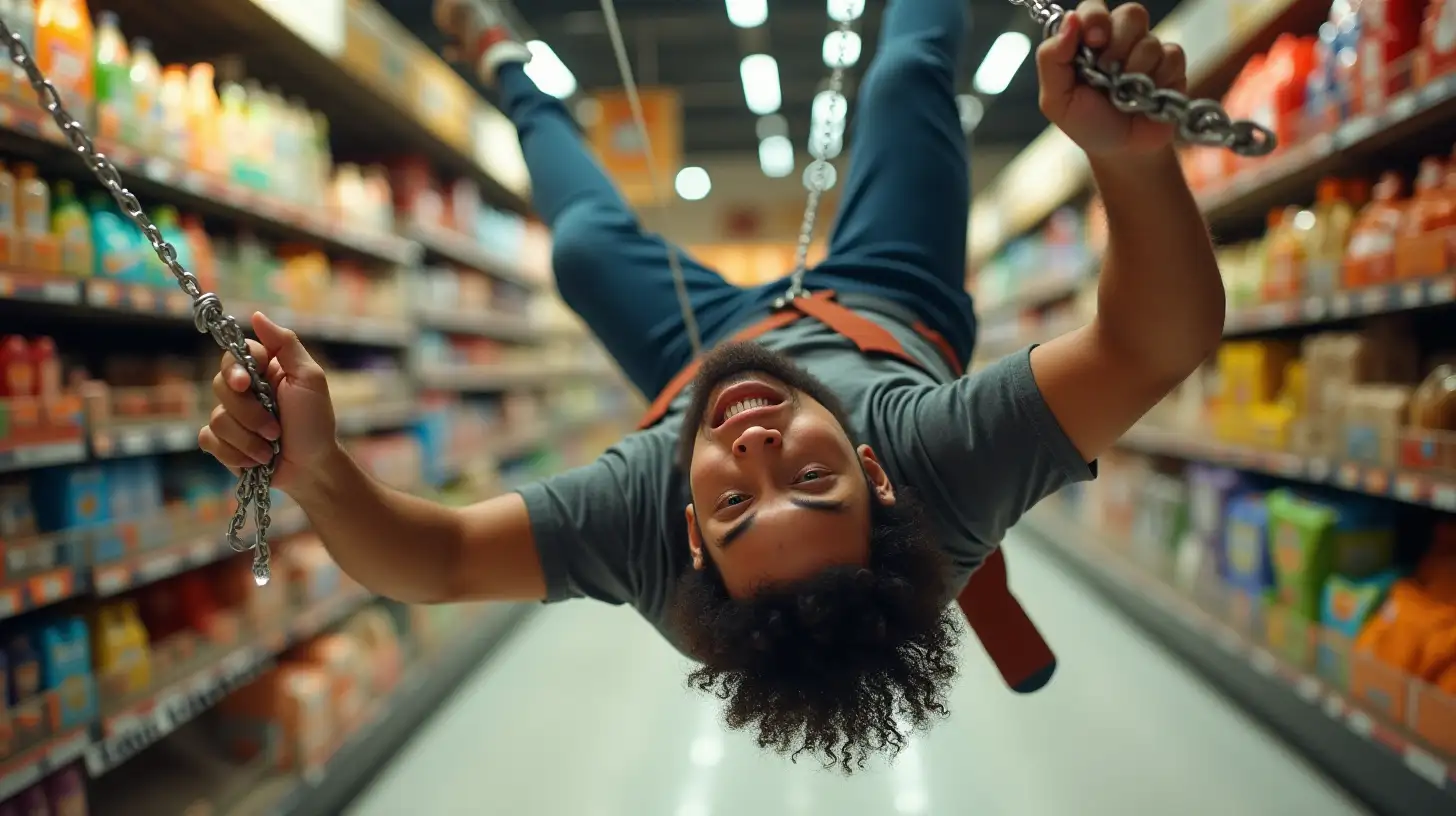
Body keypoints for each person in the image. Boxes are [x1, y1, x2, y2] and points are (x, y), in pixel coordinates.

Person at [201, 0, 1224, 771]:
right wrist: (1130, 161)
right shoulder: (943, 472)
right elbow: (1151, 345)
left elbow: (440, 560)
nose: (757, 450)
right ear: (876, 473)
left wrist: (318, 471)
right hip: (885, 300)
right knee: (907, 81)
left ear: (690, 534)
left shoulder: (646, 529)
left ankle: (513, 70)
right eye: (813, 486)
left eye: (733, 505)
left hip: (698, 360)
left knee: (587, 248)